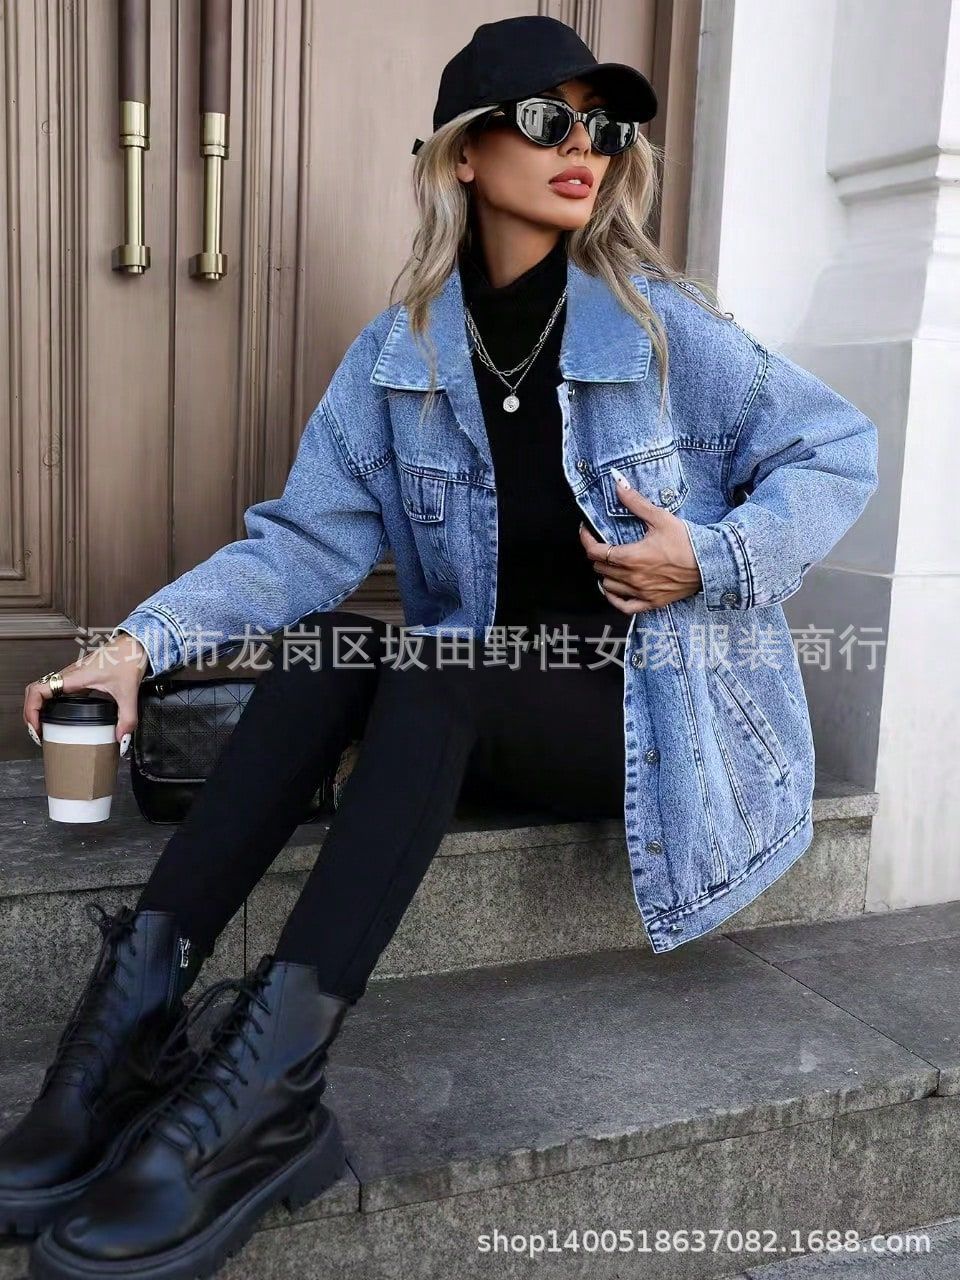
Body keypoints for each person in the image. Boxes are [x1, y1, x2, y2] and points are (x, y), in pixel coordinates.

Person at [4, 15, 879, 1280]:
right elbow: (298, 545)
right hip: (481, 697)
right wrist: (135, 648)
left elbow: (837, 447)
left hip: (654, 719)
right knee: (335, 650)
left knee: (432, 666)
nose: (584, 148)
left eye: (604, 128)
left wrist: (713, 557)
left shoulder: (661, 329)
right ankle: (124, 1039)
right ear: (465, 152)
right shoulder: (399, 354)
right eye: (549, 120)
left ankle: (264, 1095)